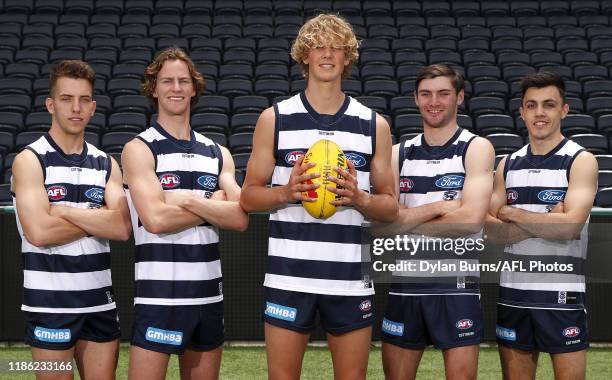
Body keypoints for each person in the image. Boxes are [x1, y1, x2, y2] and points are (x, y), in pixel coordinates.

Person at [239, 14, 397, 380]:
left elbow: (390, 206)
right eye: (318, 46)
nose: (327, 54)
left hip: (350, 279)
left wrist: (360, 198)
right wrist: (286, 192)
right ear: (305, 56)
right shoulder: (274, 119)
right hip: (288, 277)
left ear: (347, 58)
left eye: (336, 47)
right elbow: (248, 198)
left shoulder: (374, 124)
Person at [122, 47, 248, 380]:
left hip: (209, 298)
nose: (175, 88)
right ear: (154, 88)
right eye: (167, 81)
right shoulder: (139, 149)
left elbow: (239, 217)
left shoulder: (217, 153)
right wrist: (212, 204)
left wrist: (186, 200)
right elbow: (156, 220)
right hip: (159, 298)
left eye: (183, 81)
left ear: (194, 88)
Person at [11, 60, 131, 379]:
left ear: (93, 107)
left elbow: (121, 226)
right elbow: (39, 231)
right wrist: (96, 216)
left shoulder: (106, 163)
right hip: (50, 305)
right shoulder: (30, 160)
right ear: (51, 104)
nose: (75, 108)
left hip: (99, 302)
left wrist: (63, 210)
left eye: (83, 100)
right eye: (66, 99)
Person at [380, 64, 495, 380]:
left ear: (459, 97)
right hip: (405, 286)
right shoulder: (397, 154)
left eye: (444, 93)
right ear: (415, 99)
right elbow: (382, 227)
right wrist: (440, 206)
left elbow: (471, 220)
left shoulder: (476, 148)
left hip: (457, 289)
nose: (434, 102)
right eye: (426, 94)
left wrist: (406, 220)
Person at [487, 72, 597, 380]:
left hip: (561, 295)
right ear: (521, 112)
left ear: (564, 110)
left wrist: (514, 213)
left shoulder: (580, 160)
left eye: (549, 105)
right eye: (531, 105)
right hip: (513, 293)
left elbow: (569, 229)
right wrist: (550, 217)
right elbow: (492, 232)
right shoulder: (506, 164)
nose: (540, 113)